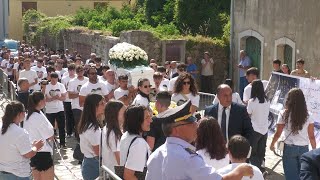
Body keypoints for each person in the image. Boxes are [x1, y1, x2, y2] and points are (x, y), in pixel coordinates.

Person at [146, 101, 254, 180]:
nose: (196, 124)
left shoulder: (155, 155)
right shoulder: (187, 158)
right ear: (176, 129)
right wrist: (240, 170)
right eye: (191, 121)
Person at [270, 88, 316, 180]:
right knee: (303, 175)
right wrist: (314, 150)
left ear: (289, 99)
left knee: (291, 176)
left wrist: (272, 144)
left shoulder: (284, 113)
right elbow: (311, 136)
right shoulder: (308, 115)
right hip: (304, 148)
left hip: (289, 148)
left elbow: (278, 133)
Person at [0, 101, 44, 179]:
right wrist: (36, 147)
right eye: (24, 111)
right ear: (19, 114)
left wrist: (32, 146)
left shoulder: (2, 128)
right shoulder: (20, 132)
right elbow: (28, 154)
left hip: (3, 173)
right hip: (18, 174)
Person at [24, 91, 55, 179]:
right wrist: (52, 132)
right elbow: (49, 134)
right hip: (42, 152)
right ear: (40, 101)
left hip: (33, 150)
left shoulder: (28, 115)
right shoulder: (37, 116)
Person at [120, 105, 152, 180]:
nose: (151, 120)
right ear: (137, 121)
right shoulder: (139, 143)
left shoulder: (126, 135)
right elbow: (128, 175)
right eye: (147, 118)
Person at [78, 94, 105, 180]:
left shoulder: (88, 123)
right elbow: (98, 151)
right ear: (94, 106)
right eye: (102, 103)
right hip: (93, 164)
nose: (104, 105)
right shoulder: (92, 128)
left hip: (89, 162)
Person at [246, 80, 270, 172]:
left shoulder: (252, 101)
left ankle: (255, 171)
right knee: (261, 151)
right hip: (264, 129)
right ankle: (261, 169)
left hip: (255, 129)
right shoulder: (267, 100)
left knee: (253, 152)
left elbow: (248, 114)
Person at [102, 100, 126, 173]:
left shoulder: (107, 128)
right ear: (115, 114)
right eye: (124, 112)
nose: (126, 115)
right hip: (114, 174)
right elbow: (120, 160)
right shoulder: (114, 134)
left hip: (109, 171)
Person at [45, 72, 67, 147]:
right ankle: (52, 142)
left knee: (62, 127)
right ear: (50, 79)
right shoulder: (47, 86)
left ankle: (62, 143)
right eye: (53, 80)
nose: (54, 81)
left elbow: (64, 97)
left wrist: (59, 98)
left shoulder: (61, 86)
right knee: (51, 128)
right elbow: (45, 99)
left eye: (56, 79)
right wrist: (53, 98)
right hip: (50, 110)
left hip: (60, 109)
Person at [68, 65, 89, 139]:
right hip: (76, 105)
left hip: (86, 105)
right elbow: (70, 96)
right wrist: (80, 94)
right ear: (76, 72)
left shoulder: (87, 80)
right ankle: (78, 138)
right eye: (78, 71)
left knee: (86, 122)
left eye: (81, 70)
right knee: (78, 122)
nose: (80, 72)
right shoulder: (72, 81)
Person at [61, 63, 76, 137]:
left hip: (75, 100)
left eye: (73, 70)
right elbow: (62, 89)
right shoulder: (64, 79)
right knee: (68, 116)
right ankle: (69, 132)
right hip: (67, 100)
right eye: (70, 70)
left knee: (75, 116)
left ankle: (75, 131)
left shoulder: (77, 78)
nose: (71, 71)